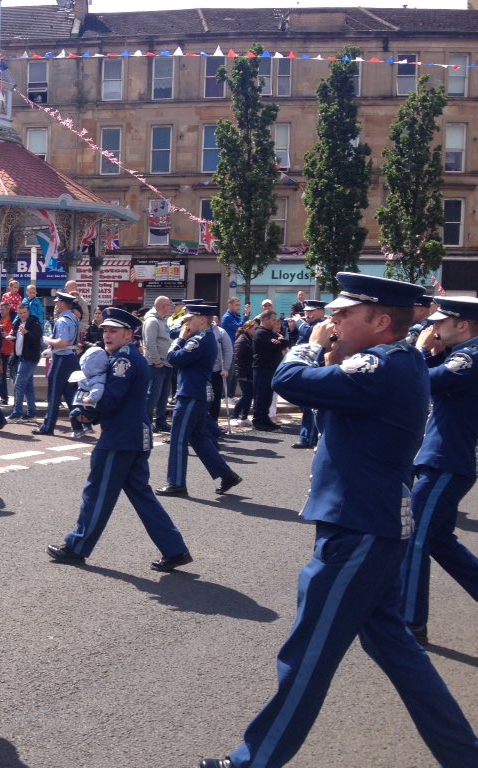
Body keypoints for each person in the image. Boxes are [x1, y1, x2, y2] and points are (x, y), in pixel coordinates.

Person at [200, 272, 478, 768]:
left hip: (358, 530)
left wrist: (308, 346)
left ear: (382, 322)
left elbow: (289, 382)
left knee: (307, 655)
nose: (334, 318)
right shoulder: (395, 360)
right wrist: (332, 352)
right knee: (397, 651)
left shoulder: (383, 363)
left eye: (347, 312)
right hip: (369, 523)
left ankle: (252, 762)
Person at [46, 307, 192, 572]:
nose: (107, 336)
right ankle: (175, 548)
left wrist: (87, 412)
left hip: (121, 438)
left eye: (113, 331)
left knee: (98, 491)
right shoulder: (126, 357)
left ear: (128, 334)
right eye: (105, 331)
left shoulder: (123, 361)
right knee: (141, 494)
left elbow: (112, 399)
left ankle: (77, 546)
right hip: (133, 435)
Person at [400, 295, 478, 646]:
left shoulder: (469, 357)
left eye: (441, 321)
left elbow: (421, 381)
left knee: (414, 538)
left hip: (446, 461)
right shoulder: (462, 354)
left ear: (462, 325)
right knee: (441, 541)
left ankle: (411, 621)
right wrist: (433, 350)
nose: (433, 326)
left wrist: (418, 349)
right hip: (445, 459)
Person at [157, 304, 242, 497]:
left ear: (203, 320)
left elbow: (173, 358)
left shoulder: (199, 340)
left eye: (190, 318)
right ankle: (227, 475)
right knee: (198, 438)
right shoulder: (202, 336)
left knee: (178, 439)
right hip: (195, 393)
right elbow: (173, 334)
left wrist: (181, 338)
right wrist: (182, 335)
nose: (186, 322)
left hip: (191, 395)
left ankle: (177, 483)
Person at [33, 292, 81, 436]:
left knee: (54, 393)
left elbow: (63, 341)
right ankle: (79, 425)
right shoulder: (74, 318)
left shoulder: (62, 320)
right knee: (69, 394)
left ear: (62, 303)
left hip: (62, 358)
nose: (56, 305)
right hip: (72, 358)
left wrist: (48, 340)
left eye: (57, 302)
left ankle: (48, 426)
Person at [289, 299, 326, 449]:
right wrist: (292, 328)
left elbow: (310, 334)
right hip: (306, 366)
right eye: (306, 312)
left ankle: (310, 437)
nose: (307, 314)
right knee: (307, 405)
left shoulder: (322, 324)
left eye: (311, 311)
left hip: (317, 367)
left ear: (321, 312)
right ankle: (306, 437)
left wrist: (299, 323)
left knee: (313, 406)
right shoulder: (309, 324)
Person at [142, 295, 173, 433]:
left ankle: (160, 421)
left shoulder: (162, 321)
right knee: (153, 394)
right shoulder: (152, 321)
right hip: (157, 365)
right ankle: (147, 421)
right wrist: (156, 361)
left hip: (166, 364)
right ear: (162, 306)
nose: (170, 307)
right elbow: (150, 343)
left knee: (164, 395)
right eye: (168, 305)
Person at [251, 309, 286, 431]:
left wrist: (279, 342)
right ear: (265, 319)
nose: (274, 322)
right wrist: (278, 343)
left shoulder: (271, 333)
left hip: (271, 368)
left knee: (268, 396)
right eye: (273, 320)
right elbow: (273, 346)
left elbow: (283, 343)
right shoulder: (260, 332)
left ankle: (265, 418)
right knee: (261, 396)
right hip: (262, 369)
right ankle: (258, 420)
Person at [6, 302, 42, 421]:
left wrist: (26, 333)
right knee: (28, 387)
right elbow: (17, 338)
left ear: (28, 312)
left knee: (19, 385)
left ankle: (17, 413)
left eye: (24, 312)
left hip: (29, 358)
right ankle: (32, 413)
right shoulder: (17, 323)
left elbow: (36, 340)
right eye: (20, 313)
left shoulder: (34, 324)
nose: (22, 315)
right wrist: (11, 336)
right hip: (20, 357)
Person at [67, 343, 109, 439]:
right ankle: (87, 427)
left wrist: (91, 398)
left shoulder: (98, 378)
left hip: (90, 406)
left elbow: (98, 389)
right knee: (77, 410)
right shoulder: (91, 375)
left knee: (73, 414)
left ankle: (78, 430)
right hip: (84, 403)